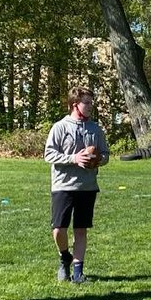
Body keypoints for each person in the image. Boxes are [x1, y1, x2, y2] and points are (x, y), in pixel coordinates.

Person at [44, 86, 111, 282]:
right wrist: (74, 158)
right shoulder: (60, 127)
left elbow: (106, 154)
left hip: (87, 187)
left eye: (91, 103)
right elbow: (49, 154)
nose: (91, 106)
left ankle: (78, 273)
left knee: (81, 229)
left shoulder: (95, 129)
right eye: (87, 103)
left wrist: (98, 160)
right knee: (59, 230)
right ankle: (64, 257)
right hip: (63, 186)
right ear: (75, 105)